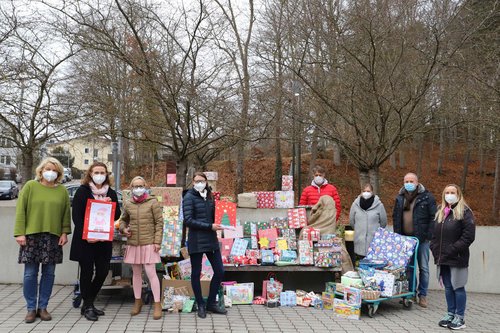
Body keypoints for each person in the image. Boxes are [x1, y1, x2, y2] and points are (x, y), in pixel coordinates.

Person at [14, 157, 71, 323]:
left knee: (49, 274)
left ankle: (43, 307)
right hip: (31, 235)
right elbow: (20, 210)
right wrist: (19, 233)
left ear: (59, 173)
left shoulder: (62, 191)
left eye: (54, 170)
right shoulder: (30, 186)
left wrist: (64, 232)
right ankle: (31, 308)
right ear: (41, 170)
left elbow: (65, 214)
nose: (50, 172)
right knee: (30, 274)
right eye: (48, 169)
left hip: (53, 237)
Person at [70, 162, 121, 321]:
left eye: (102, 172)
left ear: (107, 174)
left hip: (103, 240)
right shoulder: (82, 191)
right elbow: (77, 217)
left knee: (103, 271)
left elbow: (117, 214)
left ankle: (88, 302)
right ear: (90, 174)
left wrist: (109, 205)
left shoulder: (111, 193)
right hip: (86, 240)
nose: (100, 175)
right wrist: (87, 233)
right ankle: (89, 306)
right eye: (96, 172)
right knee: (86, 272)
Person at [430, 184, 475, 330]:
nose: (449, 195)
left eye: (452, 192)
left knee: (458, 286)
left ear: (458, 194)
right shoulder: (441, 211)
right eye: (447, 192)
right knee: (448, 287)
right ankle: (450, 313)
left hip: (457, 257)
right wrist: (434, 248)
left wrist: (453, 249)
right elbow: (434, 234)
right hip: (443, 257)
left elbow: (468, 236)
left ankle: (460, 318)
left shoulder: (465, 212)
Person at [182, 172, 226, 318]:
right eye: (196, 181)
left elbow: (215, 216)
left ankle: (211, 303)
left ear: (206, 182)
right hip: (196, 240)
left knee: (219, 270)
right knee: (196, 273)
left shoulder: (210, 196)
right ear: (193, 182)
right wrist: (209, 226)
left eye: (202, 181)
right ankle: (200, 304)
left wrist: (223, 214)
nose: (199, 183)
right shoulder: (188, 197)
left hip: (211, 239)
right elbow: (188, 220)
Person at [119, 176, 163, 320]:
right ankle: (138, 301)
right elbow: (123, 220)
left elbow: (159, 223)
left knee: (151, 273)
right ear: (131, 188)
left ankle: (157, 304)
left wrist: (157, 242)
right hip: (134, 243)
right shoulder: (128, 203)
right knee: (136, 273)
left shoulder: (152, 202)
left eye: (140, 185)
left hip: (149, 243)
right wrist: (123, 229)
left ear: (145, 186)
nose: (138, 188)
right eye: (135, 186)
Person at [393, 172, 437, 308]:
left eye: (412, 181)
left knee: (423, 267)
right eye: (406, 181)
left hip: (422, 239)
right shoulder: (400, 198)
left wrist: (428, 235)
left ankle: (422, 295)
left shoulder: (427, 197)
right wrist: (398, 236)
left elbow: (433, 217)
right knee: (408, 268)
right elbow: (395, 217)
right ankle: (411, 292)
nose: (409, 184)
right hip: (406, 240)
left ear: (417, 183)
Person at [349, 184, 387, 262]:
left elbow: (383, 222)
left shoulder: (379, 205)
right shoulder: (355, 205)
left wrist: (375, 232)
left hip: (373, 241)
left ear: (372, 192)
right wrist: (359, 230)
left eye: (368, 191)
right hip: (359, 240)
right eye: (364, 191)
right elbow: (352, 221)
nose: (366, 193)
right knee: (360, 264)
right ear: (361, 192)